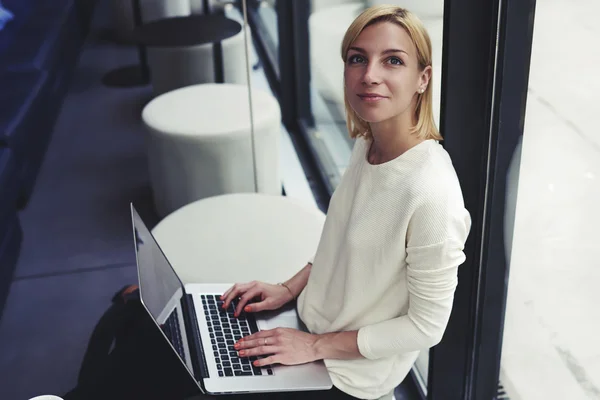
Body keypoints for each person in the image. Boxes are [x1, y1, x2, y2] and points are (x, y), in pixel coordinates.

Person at [220, 5, 471, 400]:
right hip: (307, 324)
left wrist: (314, 347)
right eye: (357, 58)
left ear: (423, 78)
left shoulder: (432, 194)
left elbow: (427, 327)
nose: (370, 75)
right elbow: (342, 242)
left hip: (347, 377)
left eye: (393, 61)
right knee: (153, 334)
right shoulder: (368, 142)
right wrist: (288, 288)